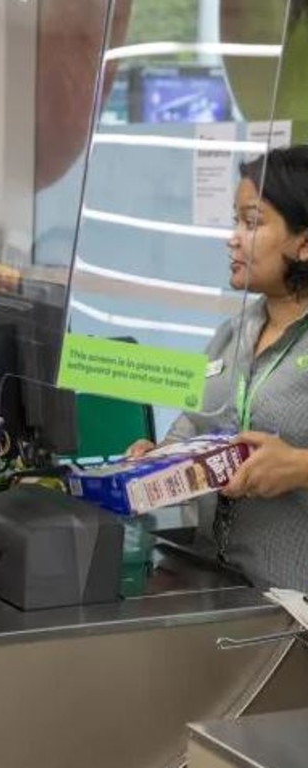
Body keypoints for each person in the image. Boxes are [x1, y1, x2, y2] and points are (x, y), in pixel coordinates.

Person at [128, 145, 308, 589]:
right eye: (235, 221)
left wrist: (301, 467)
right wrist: (159, 460)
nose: (233, 237)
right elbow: (197, 422)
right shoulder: (233, 333)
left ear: (303, 244)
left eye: (252, 222)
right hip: (224, 592)